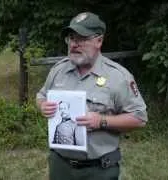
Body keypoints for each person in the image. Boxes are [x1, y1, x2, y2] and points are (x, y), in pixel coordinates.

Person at [36, 12, 148, 180]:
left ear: (99, 41)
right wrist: (42, 105)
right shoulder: (58, 70)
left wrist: (101, 121)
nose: (74, 44)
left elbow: (139, 119)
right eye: (72, 38)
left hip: (98, 170)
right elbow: (41, 95)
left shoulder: (118, 77)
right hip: (60, 166)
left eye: (82, 38)